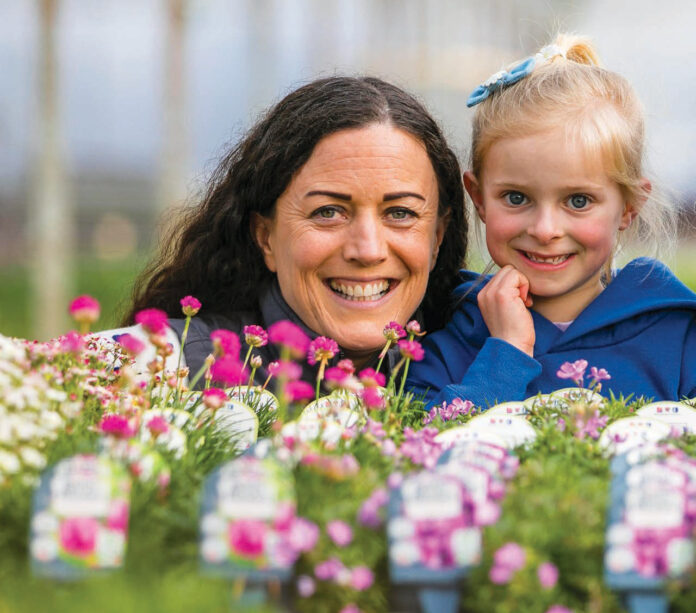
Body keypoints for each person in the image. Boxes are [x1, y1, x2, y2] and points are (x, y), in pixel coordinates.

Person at [407, 33, 696, 409]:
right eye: (516, 198)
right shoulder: (442, 338)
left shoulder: (678, 336)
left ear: (628, 207)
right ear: (478, 198)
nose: (545, 230)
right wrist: (506, 351)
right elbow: (426, 446)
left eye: (578, 201)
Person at [124, 76, 467, 385]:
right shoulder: (162, 364)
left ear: (437, 237)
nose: (368, 250)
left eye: (400, 213)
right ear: (265, 237)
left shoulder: (487, 360)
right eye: (328, 212)